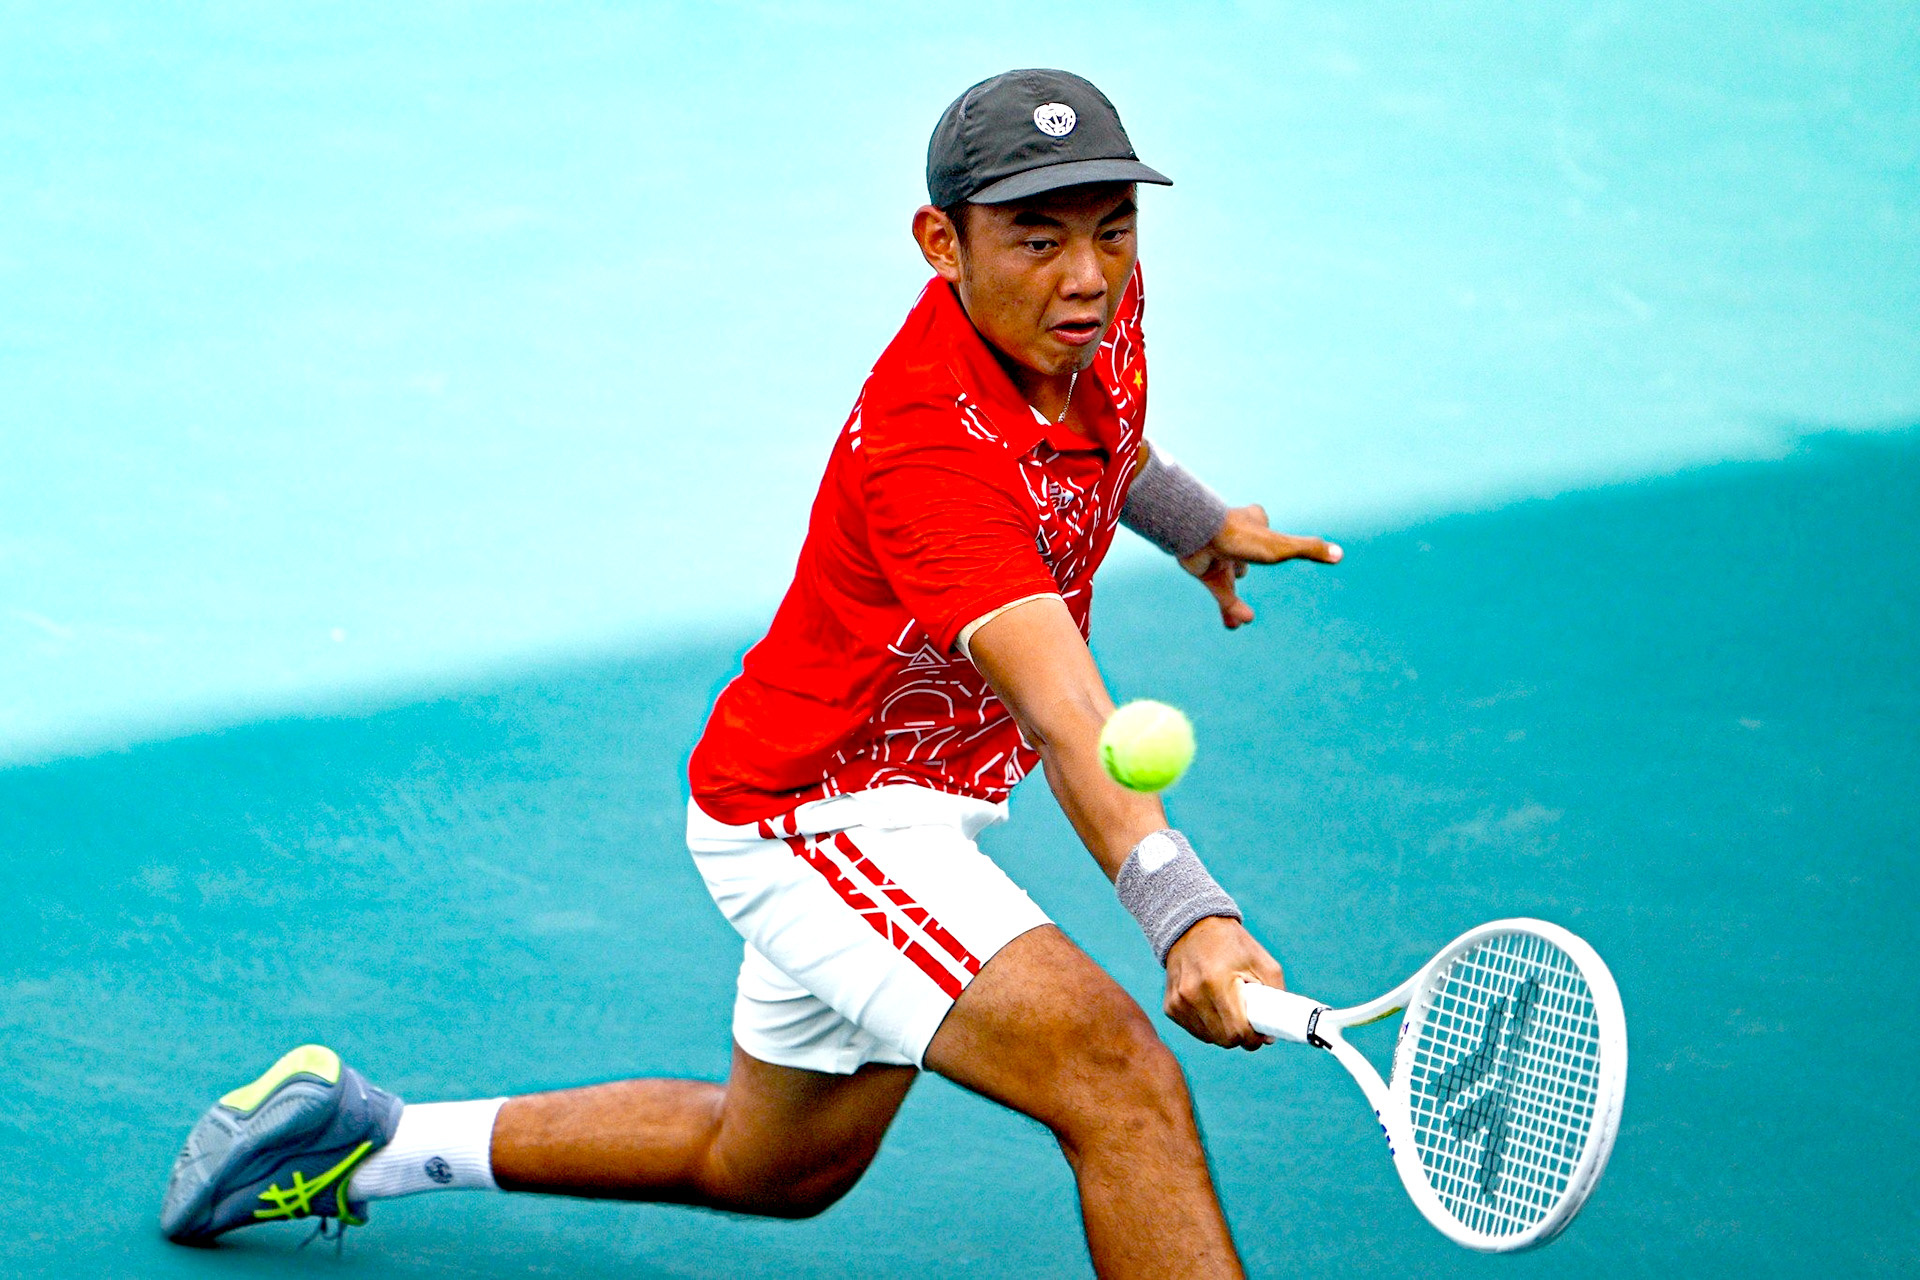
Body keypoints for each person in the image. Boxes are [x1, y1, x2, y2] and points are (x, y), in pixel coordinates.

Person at [158, 68, 1342, 1278]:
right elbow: (1063, 705)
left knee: (774, 1166)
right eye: (1037, 239)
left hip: (899, 794)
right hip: (818, 818)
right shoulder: (930, 446)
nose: (1086, 274)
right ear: (942, 243)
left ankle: (368, 1141)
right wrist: (1185, 909)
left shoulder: (1085, 310)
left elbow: (1098, 428)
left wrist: (1193, 520)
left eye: (1112, 231)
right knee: (1116, 1077)